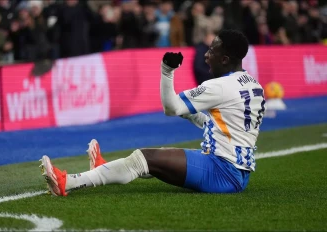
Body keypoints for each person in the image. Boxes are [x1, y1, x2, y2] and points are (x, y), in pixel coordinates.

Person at [40, 29, 266, 196]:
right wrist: (189, 113)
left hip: (222, 171)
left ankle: (67, 182)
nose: (206, 56)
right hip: (235, 172)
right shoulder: (254, 85)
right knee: (158, 160)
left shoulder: (221, 86)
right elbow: (221, 125)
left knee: (144, 158)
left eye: (211, 51)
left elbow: (171, 108)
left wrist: (167, 71)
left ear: (225, 59)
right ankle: (103, 169)